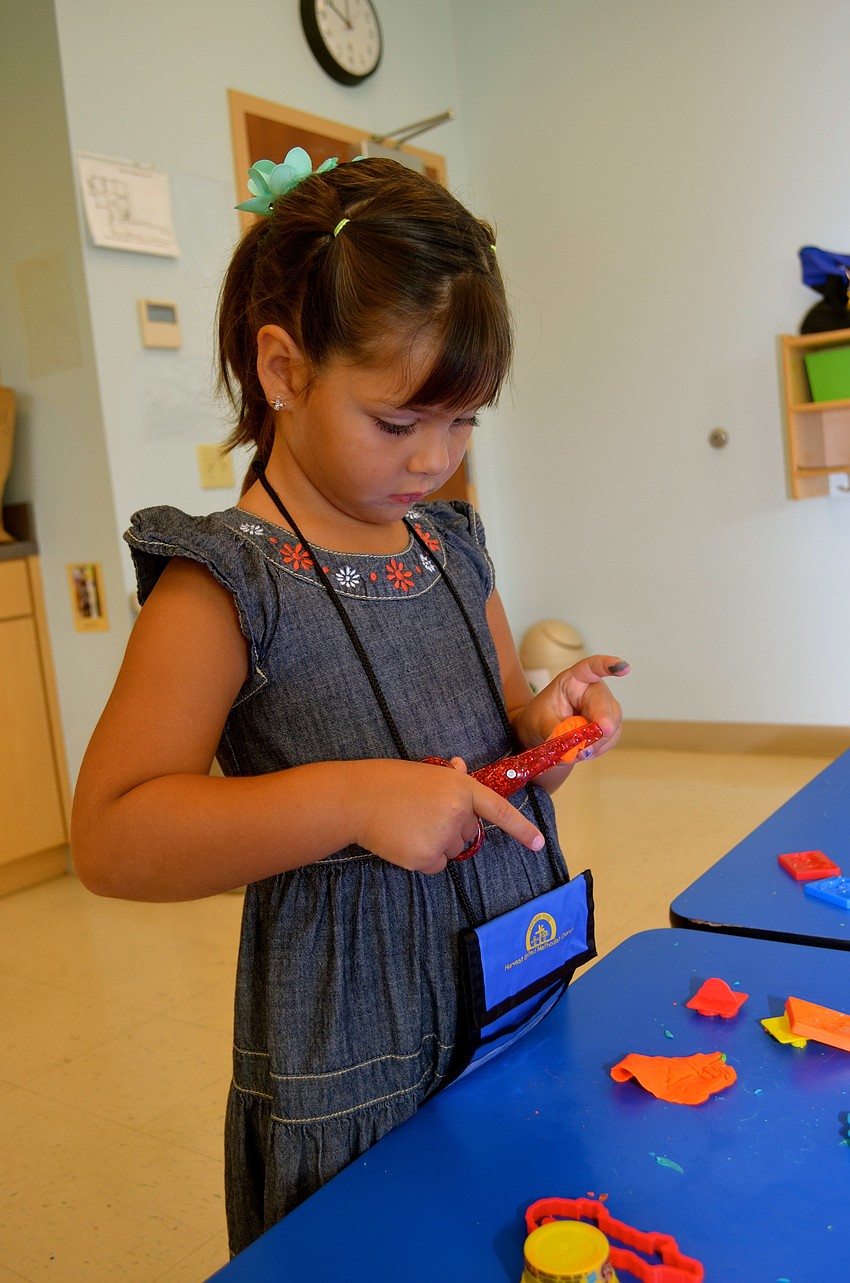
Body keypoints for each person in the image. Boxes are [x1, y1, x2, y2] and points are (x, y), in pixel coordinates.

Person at [71, 150, 629, 1255]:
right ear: (282, 367)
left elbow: (498, 736)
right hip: (356, 1040)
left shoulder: (451, 545)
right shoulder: (226, 581)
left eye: (464, 422)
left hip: (516, 977)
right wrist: (349, 799)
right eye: (396, 421)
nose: (434, 458)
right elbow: (113, 834)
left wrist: (548, 731)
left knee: (526, 1224)